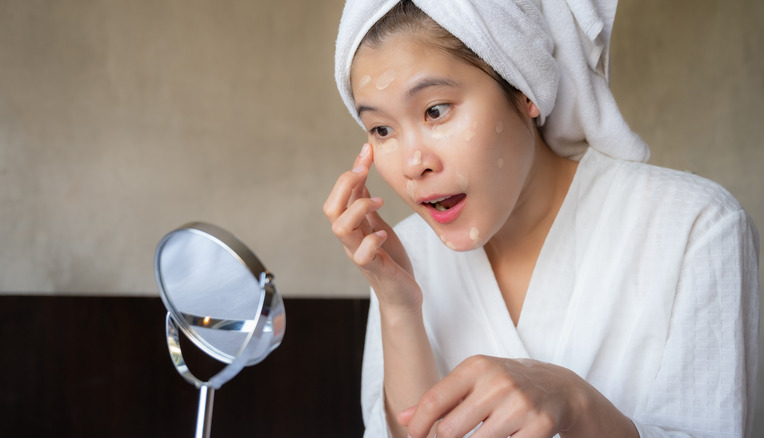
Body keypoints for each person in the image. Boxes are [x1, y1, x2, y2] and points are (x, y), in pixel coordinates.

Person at [324, 1, 759, 437]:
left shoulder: (695, 226)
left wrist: (577, 404)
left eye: (436, 110)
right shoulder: (405, 253)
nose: (413, 164)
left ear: (524, 88)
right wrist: (400, 307)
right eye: (382, 130)